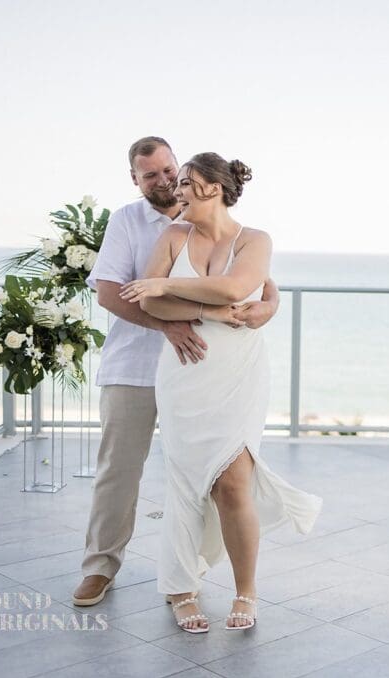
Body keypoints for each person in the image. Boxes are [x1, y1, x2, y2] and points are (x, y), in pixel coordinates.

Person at [74, 138, 281, 607]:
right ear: (135, 180)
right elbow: (111, 293)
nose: (166, 182)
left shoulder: (232, 228)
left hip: (205, 369)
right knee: (118, 473)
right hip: (135, 364)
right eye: (152, 175)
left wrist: (269, 306)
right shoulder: (128, 221)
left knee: (205, 478)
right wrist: (168, 325)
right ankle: (100, 567)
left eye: (171, 171)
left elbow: (251, 285)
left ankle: (190, 571)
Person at [121, 152, 322, 632]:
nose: (177, 190)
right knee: (186, 483)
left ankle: (246, 591)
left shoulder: (255, 240)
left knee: (233, 483)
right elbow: (149, 301)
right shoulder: (173, 236)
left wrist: (168, 284)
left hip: (239, 374)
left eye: (186, 182)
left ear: (212, 188)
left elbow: (235, 288)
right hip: (185, 373)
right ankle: (181, 588)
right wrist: (204, 312)